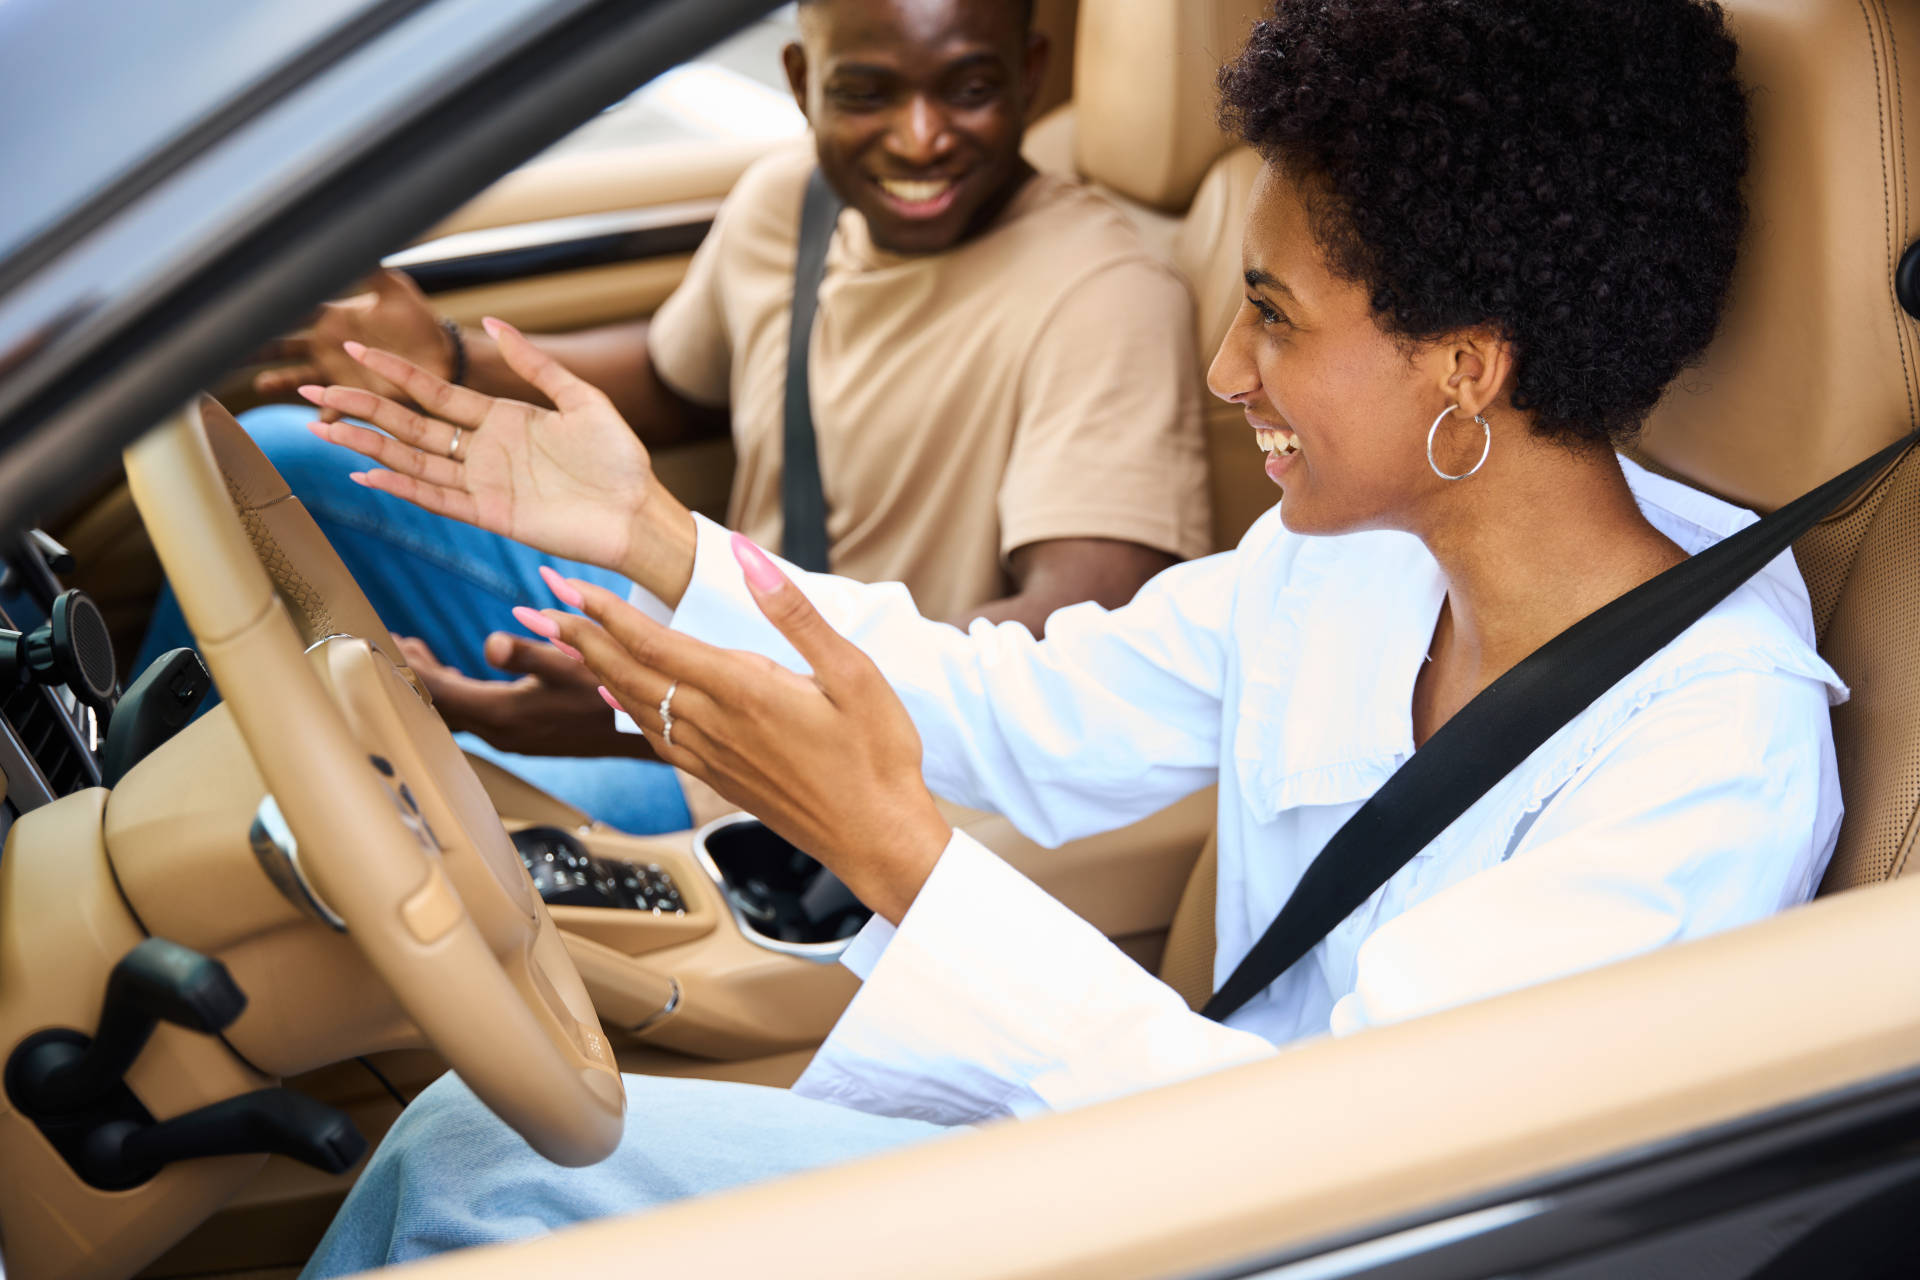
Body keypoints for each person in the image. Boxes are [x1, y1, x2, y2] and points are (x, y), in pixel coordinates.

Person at [296, 0, 1843, 1273]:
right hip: (1153, 1157)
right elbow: (1024, 710)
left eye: (1275, 316)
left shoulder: (1712, 750)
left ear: (1466, 368)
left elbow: (1364, 1166)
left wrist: (899, 852)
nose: (1231, 369)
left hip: (1291, 1225)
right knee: (464, 1152)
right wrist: (659, 540)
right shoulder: (1361, 559)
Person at [137, 0, 1211, 833]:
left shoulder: (1103, 297)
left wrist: (659, 708)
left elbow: (1078, 650)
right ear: (801, 81)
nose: (921, 138)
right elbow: (676, 377)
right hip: (704, 626)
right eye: (868, 92)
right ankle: (130, 776)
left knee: (354, 788)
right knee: (274, 464)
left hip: (819, 757)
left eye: (967, 89)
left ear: (1029, 72)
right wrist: (449, 359)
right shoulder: (792, 203)